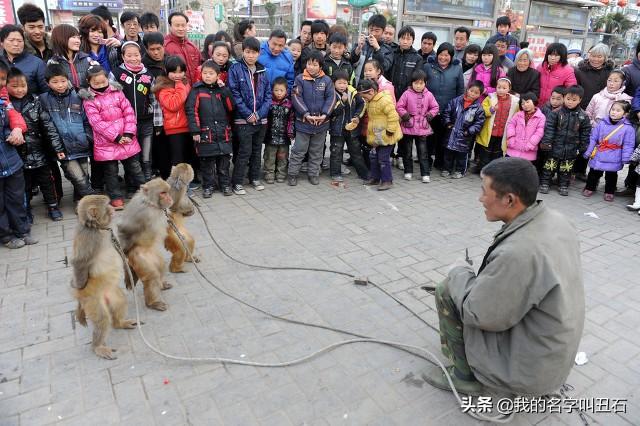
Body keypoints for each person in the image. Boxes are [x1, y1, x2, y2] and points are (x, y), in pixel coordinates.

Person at [424, 157, 584, 398]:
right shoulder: (557, 220)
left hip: (530, 372)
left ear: (509, 199)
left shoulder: (519, 252)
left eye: (483, 191)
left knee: (447, 289)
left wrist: (459, 270)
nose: (480, 198)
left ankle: (465, 376)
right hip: (553, 350)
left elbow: (478, 314)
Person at [81, 65, 144, 210]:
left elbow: (129, 112)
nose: (101, 85)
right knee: (111, 172)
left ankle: (147, 192)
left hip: (127, 138)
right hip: (107, 142)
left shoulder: (118, 92)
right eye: (96, 83)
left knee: (135, 167)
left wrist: (128, 133)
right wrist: (115, 137)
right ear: (88, 82)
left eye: (103, 82)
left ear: (107, 79)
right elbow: (96, 123)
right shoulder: (89, 100)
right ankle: (115, 197)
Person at [6, 67, 65, 221]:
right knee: (23, 186)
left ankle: (53, 206)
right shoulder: (6, 106)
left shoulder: (35, 102)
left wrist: (57, 148)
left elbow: (48, 126)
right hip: (19, 154)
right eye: (14, 86)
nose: (20, 90)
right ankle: (26, 211)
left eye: (23, 86)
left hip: (40, 151)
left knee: (47, 182)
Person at [40, 64, 95, 202]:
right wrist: (57, 147)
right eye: (55, 82)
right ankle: (94, 202)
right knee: (78, 177)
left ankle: (79, 200)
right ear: (47, 83)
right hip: (63, 148)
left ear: (68, 79)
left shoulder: (78, 95)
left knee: (84, 175)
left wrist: (88, 138)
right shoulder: (43, 100)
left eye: (63, 81)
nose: (60, 85)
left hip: (81, 144)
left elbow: (87, 120)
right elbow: (48, 127)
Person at [228, 37, 271, 194]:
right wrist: (248, 114)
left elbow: (268, 95)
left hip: (261, 120)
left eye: (254, 52)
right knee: (244, 151)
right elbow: (234, 94)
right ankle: (237, 182)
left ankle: (254, 178)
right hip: (243, 120)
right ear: (243, 51)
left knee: (256, 150)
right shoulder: (235, 69)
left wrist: (259, 114)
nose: (250, 55)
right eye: (247, 52)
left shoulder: (263, 71)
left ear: (259, 53)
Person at [185, 60, 235, 198]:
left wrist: (224, 90)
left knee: (224, 162)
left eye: (211, 73)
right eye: (205, 73)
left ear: (218, 75)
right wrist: (195, 131)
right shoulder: (197, 90)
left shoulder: (222, 90)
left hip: (222, 132)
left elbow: (231, 107)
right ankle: (208, 186)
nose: (207, 76)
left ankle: (225, 184)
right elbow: (191, 110)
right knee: (207, 163)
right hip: (205, 134)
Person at [0, 73, 36, 249]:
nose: (1, 84)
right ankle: (6, 236)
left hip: (11, 161)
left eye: (2, 80)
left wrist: (15, 131)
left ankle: (22, 230)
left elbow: (13, 121)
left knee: (16, 199)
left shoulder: (3, 102)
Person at [288, 50, 335, 186]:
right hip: (303, 123)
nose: (311, 67)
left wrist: (325, 115)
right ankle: (292, 174)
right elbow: (296, 97)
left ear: (320, 66)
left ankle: (313, 174)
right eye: (309, 64)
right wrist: (306, 114)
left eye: (315, 64)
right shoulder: (299, 79)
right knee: (299, 150)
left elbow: (331, 98)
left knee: (317, 151)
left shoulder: (326, 80)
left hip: (321, 124)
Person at [114, 41, 156, 182]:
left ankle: (149, 183)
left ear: (141, 55)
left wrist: (158, 121)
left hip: (146, 122)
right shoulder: (116, 74)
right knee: (131, 156)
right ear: (123, 56)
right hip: (126, 125)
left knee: (146, 156)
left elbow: (154, 99)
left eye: (136, 55)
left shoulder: (148, 76)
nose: (133, 58)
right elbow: (111, 99)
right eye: (129, 55)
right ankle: (132, 184)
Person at [539, 85, 591, 196]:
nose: (570, 102)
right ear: (564, 98)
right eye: (568, 99)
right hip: (554, 146)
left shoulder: (583, 116)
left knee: (566, 169)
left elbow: (585, 133)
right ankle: (545, 183)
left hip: (571, 148)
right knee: (549, 166)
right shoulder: (556, 113)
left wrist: (583, 146)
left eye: (574, 100)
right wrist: (547, 142)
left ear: (580, 100)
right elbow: (549, 128)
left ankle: (563, 185)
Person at [573, 43, 615, 180]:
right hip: (581, 108)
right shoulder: (580, 70)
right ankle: (571, 169)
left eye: (599, 56)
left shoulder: (609, 72)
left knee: (591, 141)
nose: (595, 59)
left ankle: (581, 170)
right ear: (588, 55)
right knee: (577, 139)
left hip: (600, 113)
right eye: (593, 55)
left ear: (605, 58)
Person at [582, 100, 635, 201]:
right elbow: (593, 138)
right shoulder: (602, 123)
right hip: (599, 153)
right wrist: (589, 151)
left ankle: (609, 191)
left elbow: (628, 145)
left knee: (611, 175)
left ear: (626, 114)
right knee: (593, 173)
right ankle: (590, 187)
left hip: (614, 155)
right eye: (613, 109)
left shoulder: (628, 129)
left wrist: (626, 158)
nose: (614, 112)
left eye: (618, 110)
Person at [424, 42, 465, 169]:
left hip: (448, 110)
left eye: (447, 55)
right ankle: (427, 161)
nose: (443, 58)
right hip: (431, 110)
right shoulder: (428, 66)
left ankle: (440, 161)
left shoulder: (457, 68)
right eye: (441, 54)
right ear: (437, 55)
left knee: (444, 137)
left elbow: (460, 90)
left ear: (451, 56)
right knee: (429, 137)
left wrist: (458, 108)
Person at [396, 70, 439, 183]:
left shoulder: (429, 95)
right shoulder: (406, 94)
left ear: (425, 83)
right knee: (407, 152)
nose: (418, 86)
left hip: (422, 128)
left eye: (421, 83)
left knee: (423, 152)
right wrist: (405, 115)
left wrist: (429, 115)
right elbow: (399, 106)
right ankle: (408, 171)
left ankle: (425, 174)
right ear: (412, 83)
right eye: (416, 83)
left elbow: (435, 107)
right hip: (408, 126)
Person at [359, 78, 401, 191]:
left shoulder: (384, 100)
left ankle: (387, 180)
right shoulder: (370, 101)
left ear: (371, 91)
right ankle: (375, 178)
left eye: (364, 96)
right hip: (377, 135)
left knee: (382, 158)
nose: (363, 98)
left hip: (387, 135)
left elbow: (393, 116)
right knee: (373, 156)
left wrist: (390, 131)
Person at [329, 70, 368, 183]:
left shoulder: (353, 92)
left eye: (345, 83)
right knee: (336, 152)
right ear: (333, 83)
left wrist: (357, 116)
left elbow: (362, 104)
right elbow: (331, 112)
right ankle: (335, 173)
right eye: (339, 83)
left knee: (356, 152)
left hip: (352, 129)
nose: (342, 86)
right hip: (337, 130)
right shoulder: (331, 93)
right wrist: (342, 102)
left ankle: (364, 173)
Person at [153, 56, 192, 169]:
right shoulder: (163, 87)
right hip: (174, 128)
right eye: (174, 72)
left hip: (188, 125)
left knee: (187, 156)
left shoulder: (185, 83)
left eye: (181, 72)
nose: (177, 75)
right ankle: (176, 183)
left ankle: (187, 181)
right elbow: (173, 105)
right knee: (177, 159)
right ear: (166, 71)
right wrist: (180, 85)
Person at [442, 80, 486, 178]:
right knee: (448, 154)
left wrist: (469, 131)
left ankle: (460, 171)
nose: (473, 94)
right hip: (451, 134)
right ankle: (446, 169)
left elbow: (479, 123)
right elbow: (447, 112)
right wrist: (448, 123)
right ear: (467, 89)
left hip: (465, 138)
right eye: (471, 91)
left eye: (476, 93)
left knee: (462, 156)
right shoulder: (456, 101)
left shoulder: (478, 108)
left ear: (480, 95)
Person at [474, 78, 519, 171]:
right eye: (499, 87)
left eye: (504, 88)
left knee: (498, 152)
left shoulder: (515, 102)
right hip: (490, 132)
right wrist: (491, 110)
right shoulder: (490, 98)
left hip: (503, 133)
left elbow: (517, 116)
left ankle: (494, 171)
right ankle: (483, 169)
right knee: (485, 152)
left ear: (509, 89)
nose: (501, 90)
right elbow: (482, 110)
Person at [262, 76, 294, 184]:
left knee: (282, 157)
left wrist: (291, 131)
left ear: (286, 91)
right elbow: (265, 119)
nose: (279, 93)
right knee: (269, 157)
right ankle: (269, 174)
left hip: (284, 137)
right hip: (270, 136)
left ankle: (281, 174)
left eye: (281, 90)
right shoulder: (269, 103)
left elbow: (291, 120)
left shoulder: (289, 104)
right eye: (276, 90)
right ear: (272, 90)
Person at [0, 26, 47, 95]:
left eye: (19, 41)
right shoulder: (1, 62)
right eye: (11, 40)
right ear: (2, 43)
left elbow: (46, 91)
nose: (16, 44)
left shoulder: (37, 63)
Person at [48, 24, 97, 90]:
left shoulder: (87, 59)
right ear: (61, 38)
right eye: (74, 37)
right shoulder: (53, 63)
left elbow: (99, 78)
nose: (78, 41)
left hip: (89, 98)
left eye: (78, 38)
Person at [350, 14, 394, 84]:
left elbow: (384, 67)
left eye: (377, 31)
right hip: (357, 86)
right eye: (371, 30)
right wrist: (358, 49)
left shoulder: (387, 50)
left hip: (374, 88)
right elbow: (351, 61)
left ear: (383, 31)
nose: (373, 33)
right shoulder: (362, 44)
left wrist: (377, 49)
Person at [505, 92, 546, 163]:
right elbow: (510, 125)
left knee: (523, 171)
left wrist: (531, 144)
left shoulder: (541, 117)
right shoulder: (518, 114)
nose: (525, 105)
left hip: (529, 151)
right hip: (513, 148)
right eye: (523, 103)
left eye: (527, 102)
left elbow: (539, 132)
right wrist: (511, 138)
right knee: (510, 169)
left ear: (534, 102)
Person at [164, 12, 202, 85]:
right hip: (175, 91)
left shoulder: (193, 47)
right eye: (177, 26)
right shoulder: (165, 46)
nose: (181, 29)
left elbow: (200, 68)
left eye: (183, 25)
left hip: (194, 91)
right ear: (170, 26)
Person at [389, 26, 423, 102]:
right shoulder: (392, 54)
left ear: (413, 41)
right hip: (390, 93)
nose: (405, 41)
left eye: (408, 39)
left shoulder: (418, 58)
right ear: (398, 39)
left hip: (408, 96)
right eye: (403, 38)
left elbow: (417, 78)